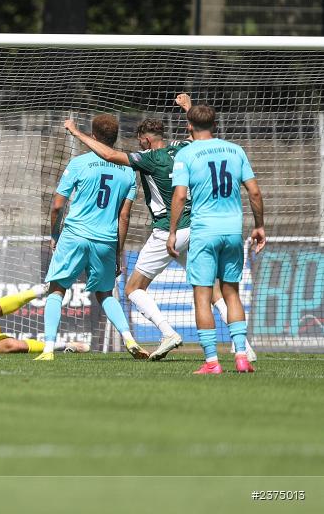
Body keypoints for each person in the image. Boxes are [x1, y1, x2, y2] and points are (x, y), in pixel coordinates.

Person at [62, 94, 256, 361]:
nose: (139, 145)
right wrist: (189, 108)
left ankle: (167, 333)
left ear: (146, 140)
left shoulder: (149, 157)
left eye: (140, 141)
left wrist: (76, 132)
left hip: (169, 229)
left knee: (133, 288)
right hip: (196, 227)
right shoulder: (183, 148)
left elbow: (108, 154)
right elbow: (201, 134)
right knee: (212, 290)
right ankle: (243, 346)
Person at [39, 114, 149, 361]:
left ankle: (47, 349)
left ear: (94, 136)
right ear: (115, 138)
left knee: (56, 290)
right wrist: (118, 251)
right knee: (105, 294)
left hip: (75, 234)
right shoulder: (128, 170)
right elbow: (124, 216)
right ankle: (129, 339)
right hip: (105, 240)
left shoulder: (79, 163)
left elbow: (57, 206)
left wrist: (55, 234)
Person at [168, 103, 266, 374]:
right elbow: (254, 192)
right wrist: (259, 226)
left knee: (202, 296)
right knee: (231, 293)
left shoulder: (186, 154)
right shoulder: (236, 150)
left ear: (189, 126)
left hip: (204, 232)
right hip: (233, 231)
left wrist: (173, 231)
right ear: (215, 124)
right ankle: (242, 357)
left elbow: (179, 196)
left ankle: (212, 361)